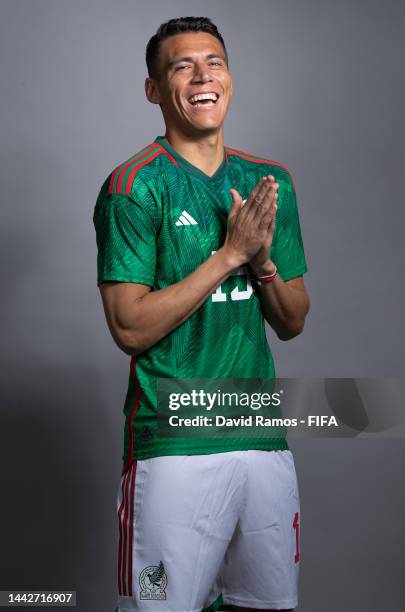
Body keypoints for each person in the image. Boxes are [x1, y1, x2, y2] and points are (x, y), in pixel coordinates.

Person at [93, 16, 310, 612]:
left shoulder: (269, 183)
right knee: (156, 605)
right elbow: (129, 325)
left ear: (230, 78)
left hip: (262, 444)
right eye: (181, 66)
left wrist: (261, 262)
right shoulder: (133, 186)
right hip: (173, 453)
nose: (201, 76)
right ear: (155, 90)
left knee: (267, 606)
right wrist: (229, 256)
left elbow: (292, 320)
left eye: (213, 62)